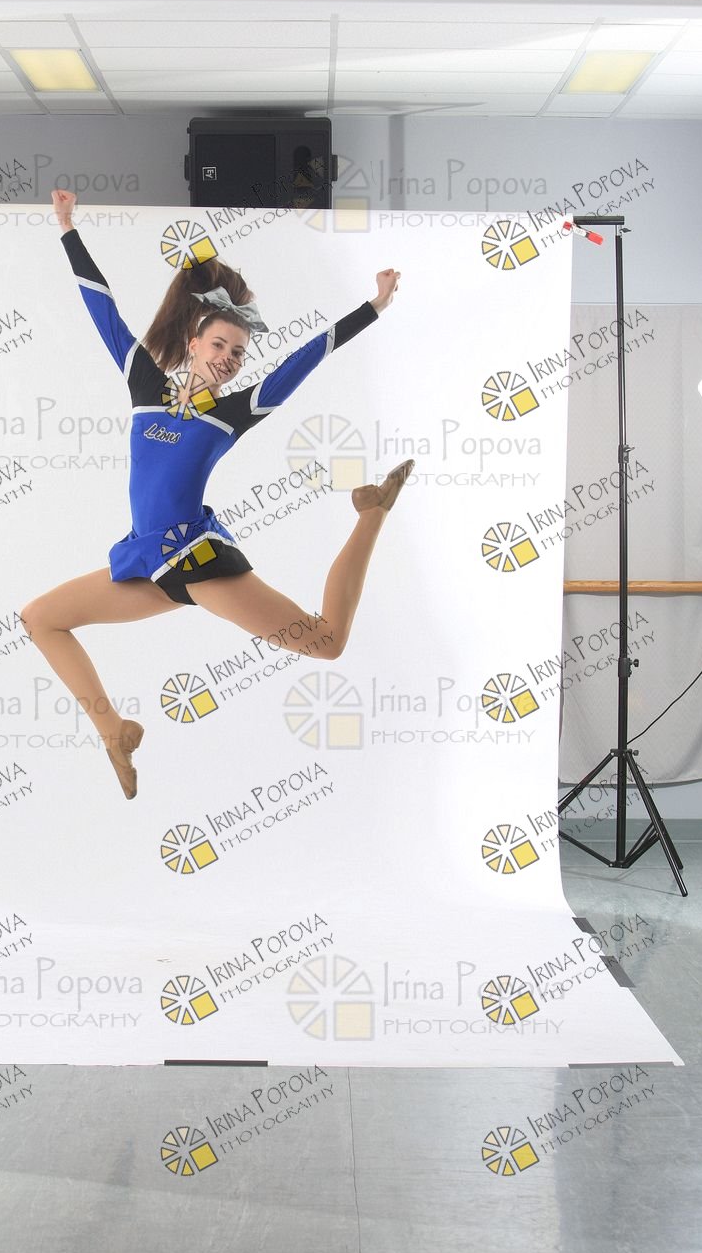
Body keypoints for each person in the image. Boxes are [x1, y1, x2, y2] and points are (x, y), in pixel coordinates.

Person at [21, 189, 412, 799]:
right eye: (219, 346)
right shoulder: (145, 385)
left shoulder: (231, 413)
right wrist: (68, 228)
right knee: (41, 618)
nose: (229, 359)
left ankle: (371, 513)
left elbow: (305, 358)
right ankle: (114, 731)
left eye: (238, 353)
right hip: (148, 564)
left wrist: (375, 306)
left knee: (326, 641)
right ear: (194, 342)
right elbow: (102, 307)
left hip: (196, 561)